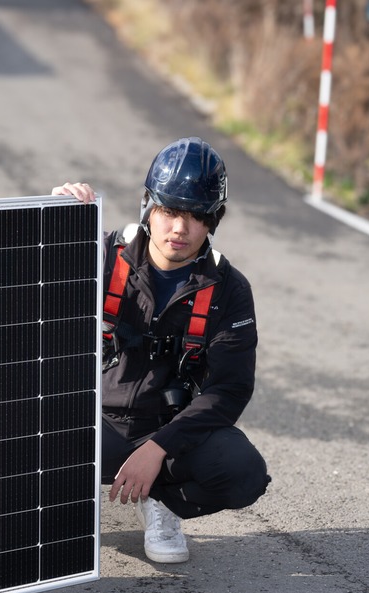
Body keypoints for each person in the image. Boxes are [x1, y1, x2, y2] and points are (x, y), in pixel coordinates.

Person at [53, 136, 270, 564]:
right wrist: (55, 217)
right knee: (9, 439)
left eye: (196, 216)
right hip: (94, 423)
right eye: (169, 211)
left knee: (243, 473)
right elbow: (16, 286)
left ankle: (161, 501)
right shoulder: (97, 253)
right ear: (147, 206)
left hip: (169, 431)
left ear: (214, 221)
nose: (179, 229)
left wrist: (158, 449)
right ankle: (57, 507)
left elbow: (228, 391)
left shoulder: (229, 289)